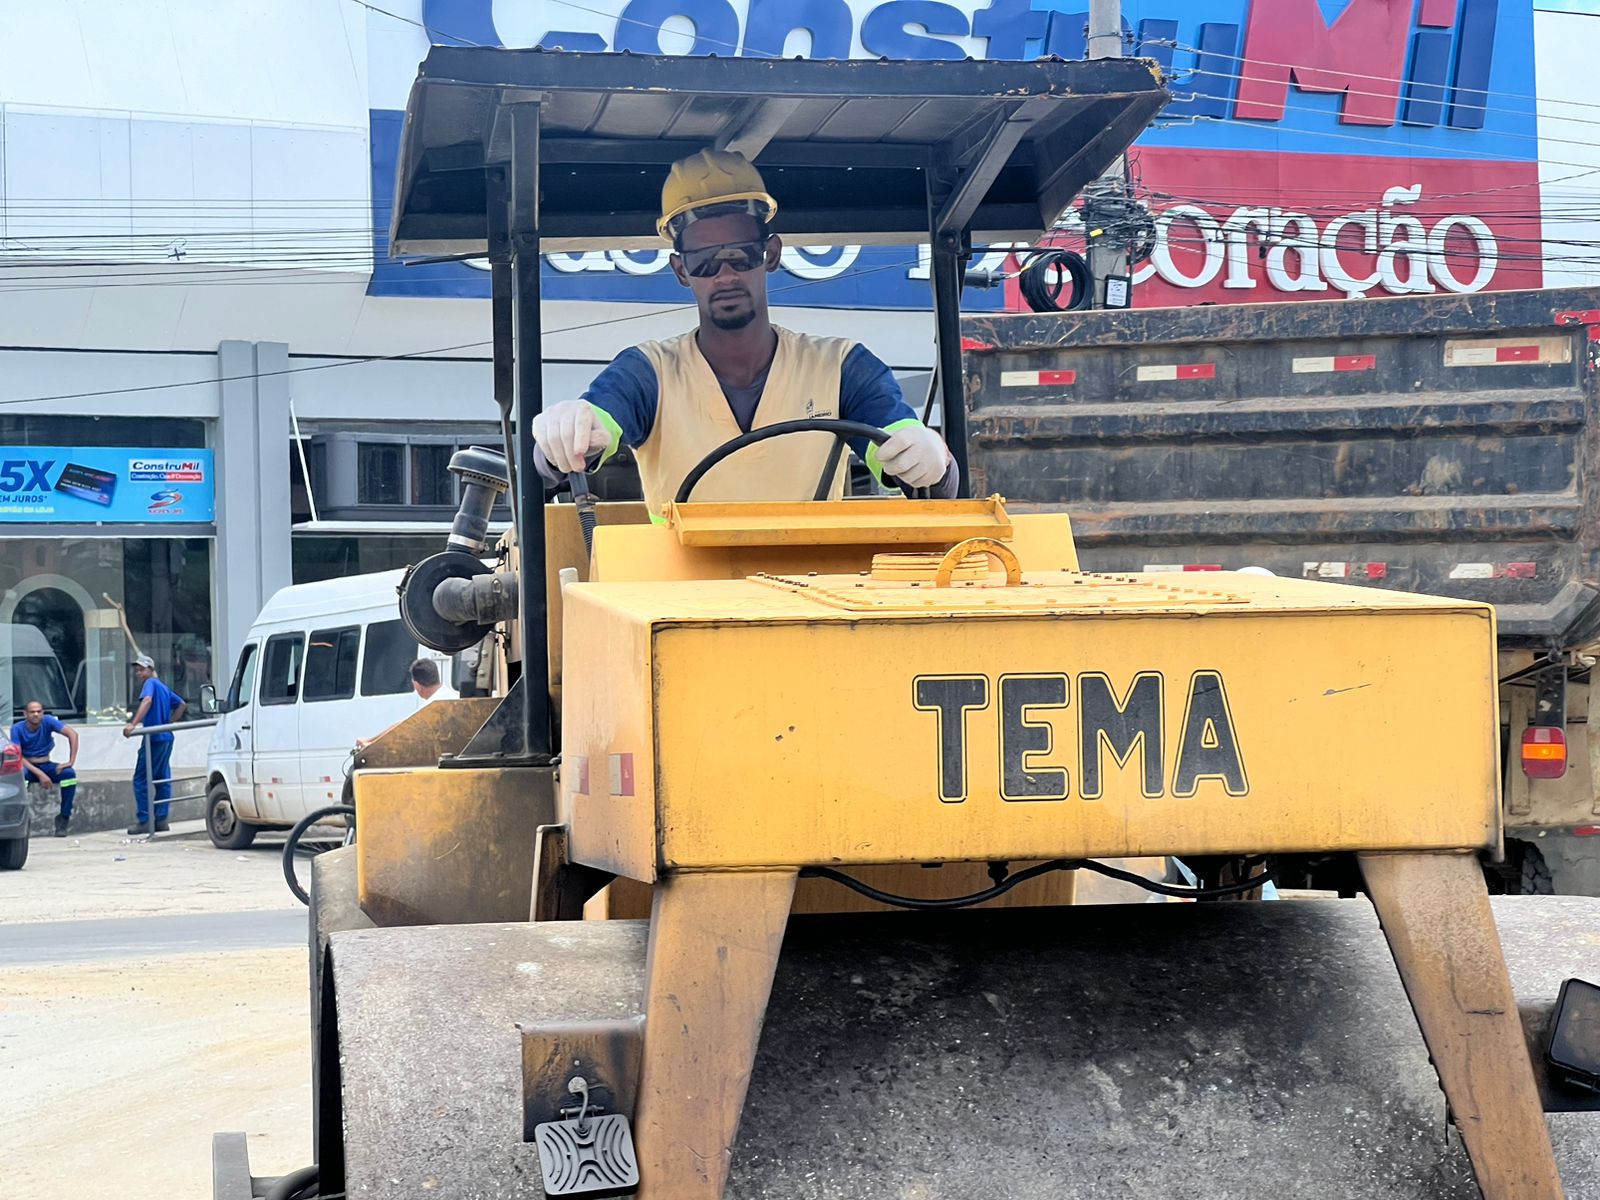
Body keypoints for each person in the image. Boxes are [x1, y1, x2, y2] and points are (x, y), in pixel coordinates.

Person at [532, 149, 957, 513]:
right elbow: (593, 427)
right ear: (681, 270)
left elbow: (904, 448)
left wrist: (931, 457)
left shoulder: (842, 366)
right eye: (704, 259)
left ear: (770, 254)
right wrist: (571, 432)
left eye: (740, 254)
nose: (725, 274)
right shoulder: (648, 373)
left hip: (810, 594)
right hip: (677, 598)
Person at [123, 654, 186, 833]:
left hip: (154, 738)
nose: (138, 673)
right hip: (166, 737)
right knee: (162, 778)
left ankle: (145, 820)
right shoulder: (163, 687)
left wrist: (133, 724)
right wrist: (169, 722)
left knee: (141, 779)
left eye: (142, 669)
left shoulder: (150, 684)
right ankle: (161, 820)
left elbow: (148, 700)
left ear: (151, 670)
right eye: (137, 670)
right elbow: (181, 704)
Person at [354, 659, 458, 751]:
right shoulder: (447, 694)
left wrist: (372, 743)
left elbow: (403, 726)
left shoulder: (433, 704)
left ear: (417, 684)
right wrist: (370, 740)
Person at [9, 700, 78, 837]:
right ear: (25, 714)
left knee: (69, 775)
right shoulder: (17, 728)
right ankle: (21, 818)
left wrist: (70, 761)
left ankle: (64, 817)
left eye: (39, 711)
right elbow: (18, 756)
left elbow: (73, 734)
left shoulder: (48, 721)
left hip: (46, 765)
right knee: (21, 777)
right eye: (32, 712)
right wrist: (40, 774)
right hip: (27, 767)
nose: (36, 714)